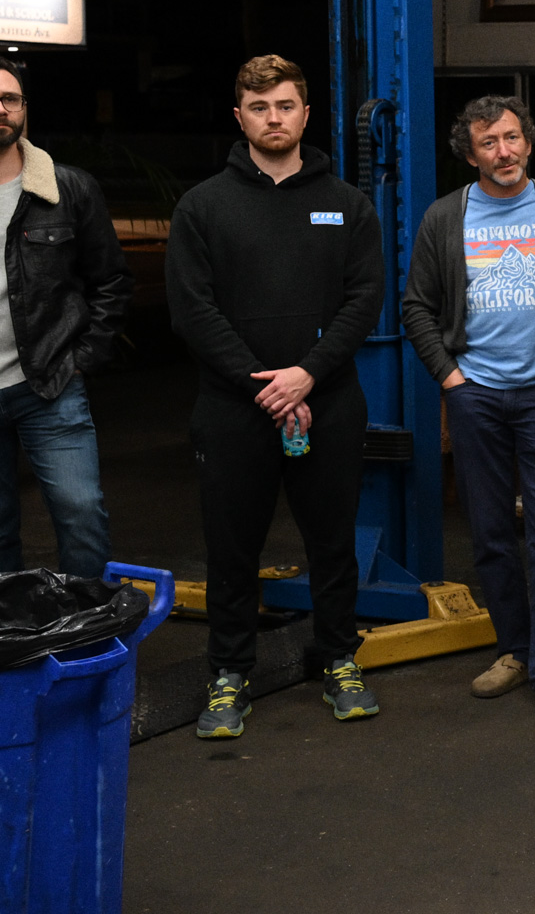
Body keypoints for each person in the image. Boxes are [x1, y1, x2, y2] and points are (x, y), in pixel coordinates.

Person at [166, 55, 384, 738]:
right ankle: (230, 675)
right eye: (259, 108)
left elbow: (364, 300)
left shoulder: (347, 204)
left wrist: (306, 374)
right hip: (235, 408)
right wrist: (263, 384)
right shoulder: (203, 207)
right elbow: (192, 311)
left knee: (332, 542)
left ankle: (340, 661)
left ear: (306, 113)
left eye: (286, 105)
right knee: (232, 548)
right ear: (240, 117)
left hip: (327, 399)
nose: (274, 118)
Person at [401, 94, 535, 723]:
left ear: (528, 141)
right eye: (489, 142)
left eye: (513, 137)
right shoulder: (444, 218)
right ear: (471, 153)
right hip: (477, 399)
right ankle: (513, 650)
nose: (504, 151)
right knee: (490, 533)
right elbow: (417, 307)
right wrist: (453, 379)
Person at [0, 57, 132, 579]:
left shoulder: (66, 188)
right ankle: (10, 646)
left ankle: (87, 642)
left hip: (50, 386)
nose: (0, 109)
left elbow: (112, 280)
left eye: (10, 99)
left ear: (24, 110)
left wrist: (81, 358)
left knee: (81, 516)